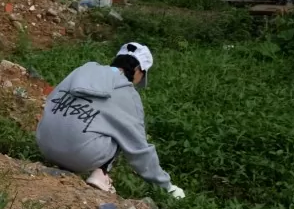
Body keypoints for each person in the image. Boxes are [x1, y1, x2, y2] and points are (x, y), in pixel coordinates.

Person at [36, 42, 184, 199]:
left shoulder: (84, 70)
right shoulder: (129, 95)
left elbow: (52, 100)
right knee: (122, 132)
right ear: (138, 70)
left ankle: (64, 159)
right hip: (79, 157)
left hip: (44, 144)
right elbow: (139, 149)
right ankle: (100, 175)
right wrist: (167, 186)